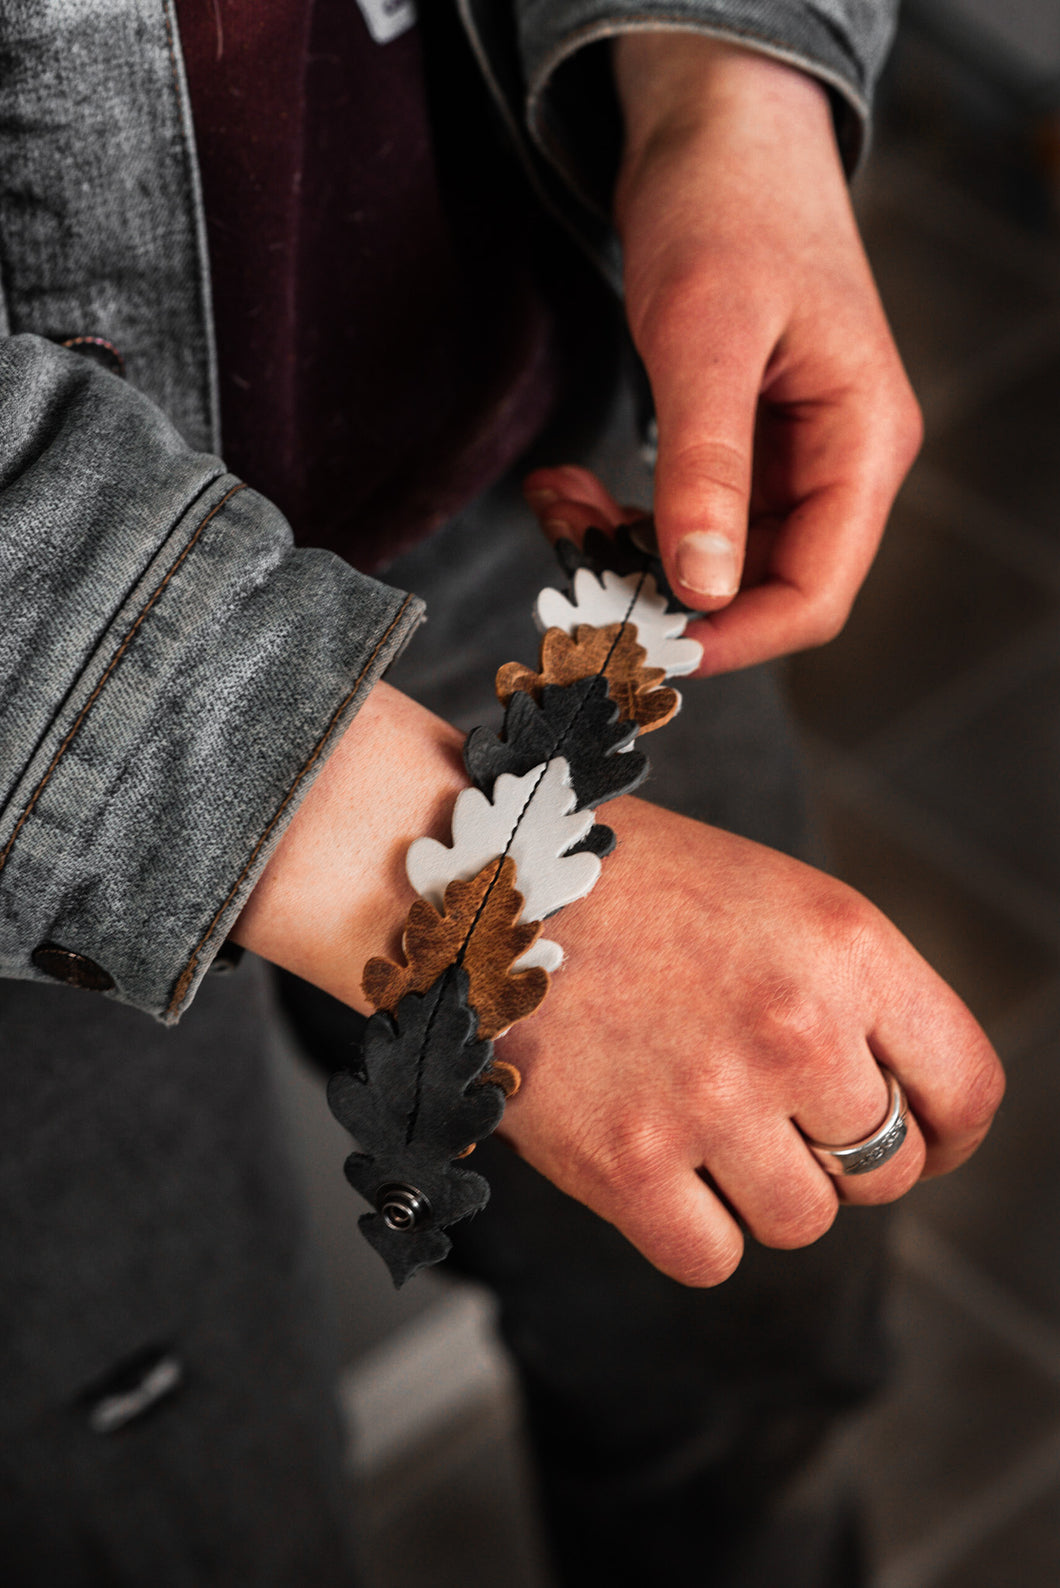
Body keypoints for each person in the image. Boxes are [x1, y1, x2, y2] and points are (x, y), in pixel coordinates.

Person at [0, 2, 1002, 1584]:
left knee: (749, 1315)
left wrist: (726, 78)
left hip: (503, 458)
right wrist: (449, 893)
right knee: (175, 1517)